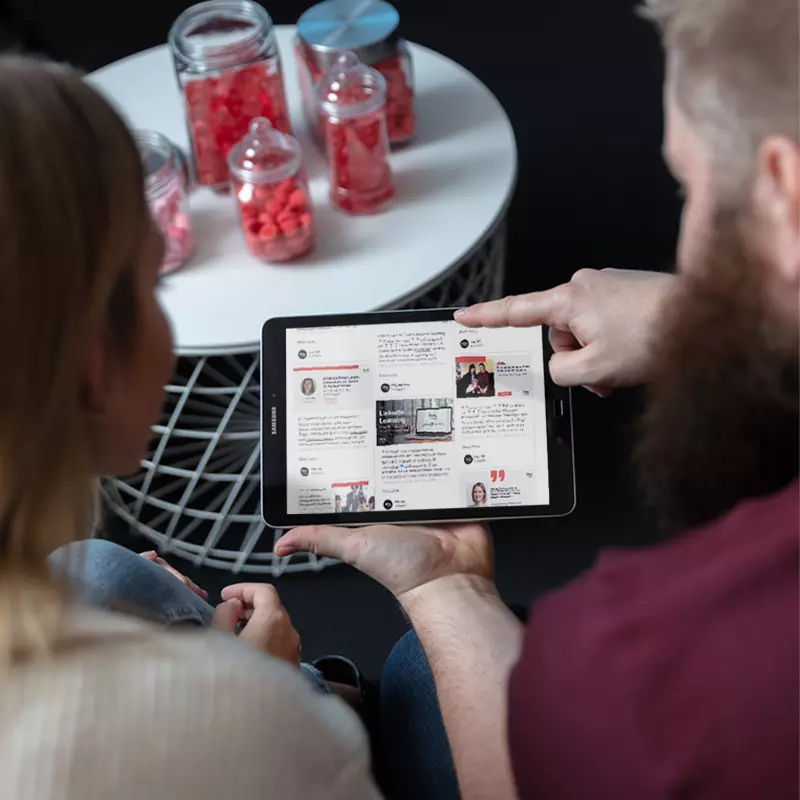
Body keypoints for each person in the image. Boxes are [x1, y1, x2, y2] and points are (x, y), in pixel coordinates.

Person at [276, 1, 799, 798]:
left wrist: (442, 588)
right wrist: (702, 316)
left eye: (686, 185)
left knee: (420, 668)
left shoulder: (644, 654)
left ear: (782, 190)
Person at [0, 56, 380, 799]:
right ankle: (345, 699)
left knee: (104, 568)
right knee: (417, 673)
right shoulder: (226, 725)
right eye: (150, 284)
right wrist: (255, 696)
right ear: (90, 363)